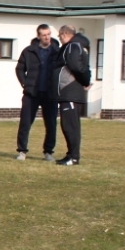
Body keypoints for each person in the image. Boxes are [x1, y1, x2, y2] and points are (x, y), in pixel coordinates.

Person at [15, 24, 61, 161]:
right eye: (44, 35)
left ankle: (48, 152)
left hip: (50, 93)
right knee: (25, 123)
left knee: (51, 124)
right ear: (38, 36)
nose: (47, 37)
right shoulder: (29, 51)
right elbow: (19, 69)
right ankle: (22, 151)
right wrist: (25, 83)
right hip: (31, 93)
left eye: (49, 34)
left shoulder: (57, 51)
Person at [55, 24, 92, 166]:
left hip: (70, 92)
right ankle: (70, 154)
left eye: (59, 36)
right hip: (68, 92)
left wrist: (84, 81)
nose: (59, 39)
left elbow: (77, 67)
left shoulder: (72, 47)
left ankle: (74, 157)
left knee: (71, 126)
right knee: (68, 125)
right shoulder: (78, 46)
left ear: (64, 34)